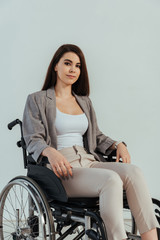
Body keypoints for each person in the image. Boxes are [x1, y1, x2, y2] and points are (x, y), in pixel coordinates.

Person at [23, 44, 159, 240]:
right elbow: (33, 137)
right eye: (67, 63)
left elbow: (96, 136)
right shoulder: (37, 99)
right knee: (110, 180)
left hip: (89, 161)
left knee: (134, 172)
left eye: (77, 66)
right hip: (62, 169)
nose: (73, 70)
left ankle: (150, 238)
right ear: (55, 66)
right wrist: (49, 151)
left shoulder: (84, 101)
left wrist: (118, 144)